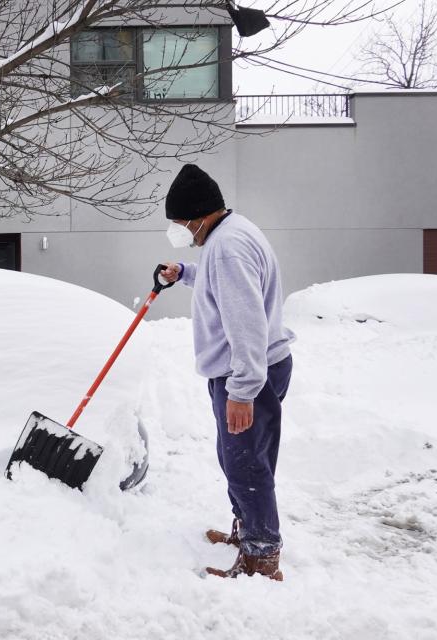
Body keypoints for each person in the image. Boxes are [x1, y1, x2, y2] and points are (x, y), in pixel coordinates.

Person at [159, 164, 295, 581]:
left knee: (245, 465)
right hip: (253, 369)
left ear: (199, 216)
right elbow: (225, 286)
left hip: (248, 373)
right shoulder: (230, 235)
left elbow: (247, 324)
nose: (179, 230)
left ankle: (261, 558)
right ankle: (247, 530)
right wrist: (184, 273)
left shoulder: (228, 248)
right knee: (240, 458)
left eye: (180, 223)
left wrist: (242, 391)